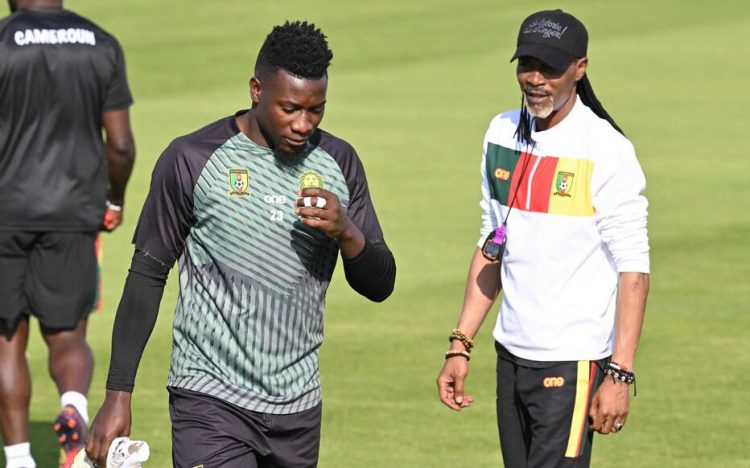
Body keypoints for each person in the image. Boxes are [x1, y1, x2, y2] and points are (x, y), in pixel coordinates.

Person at [85, 20, 396, 468]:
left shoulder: (340, 164)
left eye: (316, 111)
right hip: (209, 400)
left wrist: (347, 232)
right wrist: (118, 395)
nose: (303, 124)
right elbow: (147, 274)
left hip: (298, 406)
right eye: (290, 109)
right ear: (256, 89)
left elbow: (380, 283)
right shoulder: (193, 158)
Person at [436, 9, 650, 468]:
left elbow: (633, 270)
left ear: (580, 68)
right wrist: (461, 342)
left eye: (549, 68)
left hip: (572, 364)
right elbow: (492, 244)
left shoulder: (606, 149)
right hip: (510, 356)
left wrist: (619, 374)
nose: (535, 78)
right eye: (526, 64)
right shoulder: (500, 133)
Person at [0, 1, 135, 467]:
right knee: (69, 335)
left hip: (5, 213)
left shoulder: (1, 40)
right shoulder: (100, 43)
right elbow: (119, 144)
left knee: (6, 339)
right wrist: (113, 199)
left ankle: (18, 459)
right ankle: (74, 406)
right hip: (73, 213)